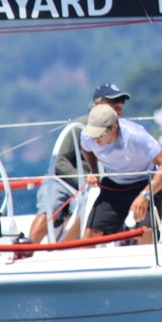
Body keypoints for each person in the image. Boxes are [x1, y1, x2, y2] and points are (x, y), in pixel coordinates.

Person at [30, 82, 130, 243]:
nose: (119, 105)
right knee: (49, 209)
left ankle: (61, 250)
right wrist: (82, 181)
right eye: (113, 101)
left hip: (91, 186)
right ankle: (25, 250)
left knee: (86, 207)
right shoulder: (78, 126)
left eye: (121, 101)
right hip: (60, 181)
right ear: (97, 104)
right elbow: (58, 161)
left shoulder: (124, 132)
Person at [79, 103, 162, 243]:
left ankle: (148, 263)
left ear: (114, 127)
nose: (95, 139)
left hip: (144, 183)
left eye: (100, 134)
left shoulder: (136, 136)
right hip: (114, 184)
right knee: (91, 234)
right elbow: (86, 150)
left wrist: (145, 196)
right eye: (92, 134)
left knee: (146, 231)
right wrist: (94, 171)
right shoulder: (88, 137)